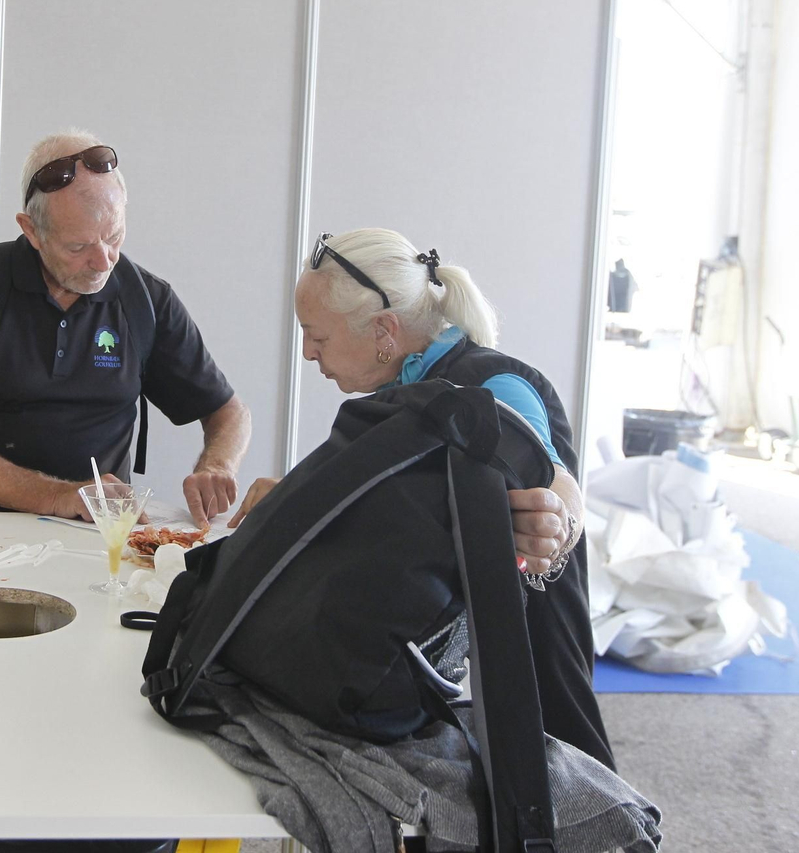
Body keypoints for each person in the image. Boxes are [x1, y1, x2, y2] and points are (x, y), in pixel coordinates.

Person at [231, 227, 614, 771]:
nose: (308, 352)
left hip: (522, 654)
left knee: (560, 782)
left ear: (384, 330)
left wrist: (560, 523)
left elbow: (557, 481)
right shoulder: (396, 392)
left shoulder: (494, 385)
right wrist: (299, 498)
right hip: (445, 651)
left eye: (317, 336)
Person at [0, 131, 251, 529]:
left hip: (98, 533)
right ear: (31, 231)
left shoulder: (145, 299)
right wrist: (58, 496)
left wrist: (217, 466)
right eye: (78, 247)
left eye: (114, 237)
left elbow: (229, 412)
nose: (103, 261)